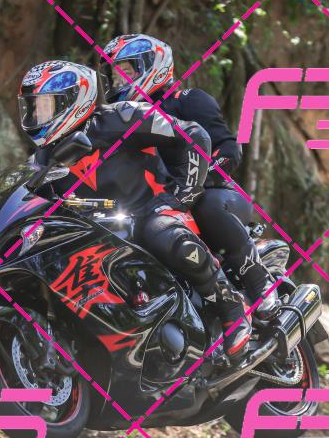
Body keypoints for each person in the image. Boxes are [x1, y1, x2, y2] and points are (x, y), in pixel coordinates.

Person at [18, 60, 252, 359]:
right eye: (33, 108)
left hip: (155, 209)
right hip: (102, 229)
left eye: (45, 106)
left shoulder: (123, 116)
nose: (37, 115)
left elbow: (194, 135)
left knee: (163, 234)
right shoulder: (41, 160)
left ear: (74, 99)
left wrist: (185, 192)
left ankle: (231, 306)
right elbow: (29, 203)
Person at [100, 34, 279, 320]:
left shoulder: (189, 100)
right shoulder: (119, 120)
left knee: (206, 206)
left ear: (153, 66)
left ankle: (259, 280)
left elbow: (229, 151)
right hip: (159, 206)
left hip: (215, 194)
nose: (120, 80)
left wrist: (192, 185)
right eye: (115, 74)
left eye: (128, 71)